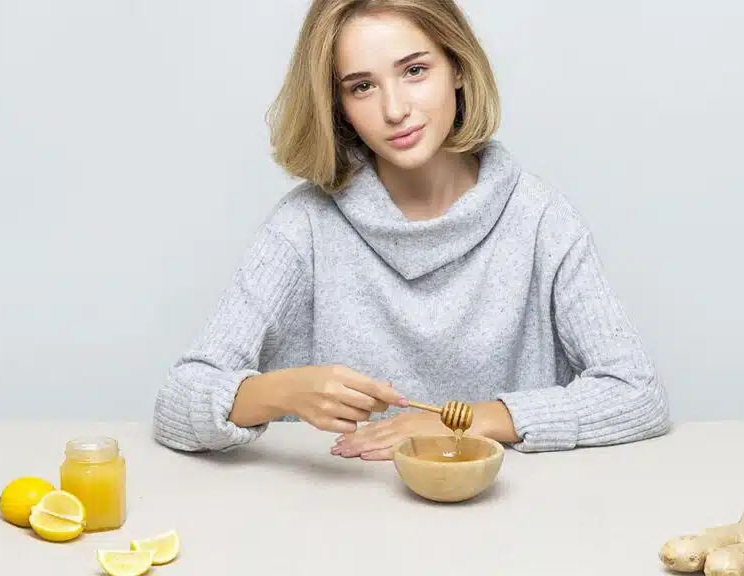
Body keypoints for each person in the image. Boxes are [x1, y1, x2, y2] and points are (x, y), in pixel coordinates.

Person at [153, 0, 670, 460]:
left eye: (415, 70)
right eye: (362, 86)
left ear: (459, 69)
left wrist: (458, 420)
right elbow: (176, 403)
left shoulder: (540, 219)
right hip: (333, 525)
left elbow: (638, 394)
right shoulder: (304, 226)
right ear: (340, 108)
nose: (394, 109)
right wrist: (281, 391)